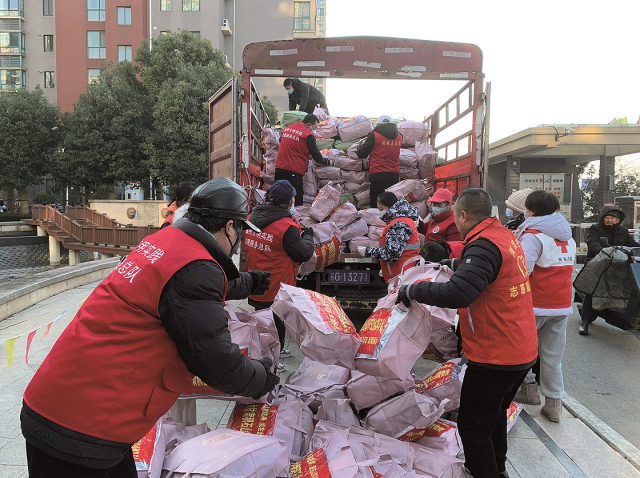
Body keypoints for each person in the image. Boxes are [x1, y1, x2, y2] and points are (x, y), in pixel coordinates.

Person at [21, 178, 279, 478]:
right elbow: (217, 362)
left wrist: (248, 282)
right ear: (230, 228)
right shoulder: (195, 268)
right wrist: (263, 377)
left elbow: (185, 291)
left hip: (66, 403)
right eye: (242, 232)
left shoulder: (166, 241)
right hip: (80, 429)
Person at [396, 188, 538, 478]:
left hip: (495, 354)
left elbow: (459, 293)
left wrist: (413, 290)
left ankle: (484, 471)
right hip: (519, 348)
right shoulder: (503, 236)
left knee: (473, 427)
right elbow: (488, 270)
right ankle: (496, 469)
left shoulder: (483, 244)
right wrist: (452, 265)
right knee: (493, 417)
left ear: (463, 215)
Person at [512, 190, 576, 422]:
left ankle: (528, 391)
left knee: (522, 352)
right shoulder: (568, 235)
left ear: (531, 211)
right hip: (561, 305)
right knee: (552, 357)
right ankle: (554, 404)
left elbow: (521, 272)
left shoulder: (533, 236)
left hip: (534, 305)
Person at [246, 180, 314, 365]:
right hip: (276, 288)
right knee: (275, 327)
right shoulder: (286, 227)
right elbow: (304, 253)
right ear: (290, 202)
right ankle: (271, 366)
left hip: (256, 284)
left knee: (263, 325)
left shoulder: (252, 218)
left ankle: (265, 355)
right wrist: (308, 237)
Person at [578, 205, 640, 335]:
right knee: (592, 288)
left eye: (613, 218)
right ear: (602, 218)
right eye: (607, 217)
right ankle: (584, 322)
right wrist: (605, 252)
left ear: (618, 220)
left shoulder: (623, 231)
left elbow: (633, 245)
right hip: (598, 263)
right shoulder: (595, 229)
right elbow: (592, 244)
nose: (610, 220)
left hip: (619, 265)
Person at [358, 192, 420, 283]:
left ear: (392, 207)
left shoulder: (399, 224)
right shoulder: (400, 221)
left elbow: (391, 254)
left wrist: (367, 251)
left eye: (381, 209)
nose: (380, 212)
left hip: (402, 276)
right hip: (402, 273)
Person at [275, 114, 332, 206]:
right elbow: (316, 156)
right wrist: (326, 161)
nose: (314, 130)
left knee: (277, 197)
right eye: (314, 127)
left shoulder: (287, 129)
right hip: (293, 171)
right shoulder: (308, 135)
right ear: (309, 124)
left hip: (279, 169)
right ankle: (292, 220)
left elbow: (283, 142)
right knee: (295, 201)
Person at [355, 115, 403, 207]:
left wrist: (358, 149)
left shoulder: (374, 135)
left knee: (376, 202)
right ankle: (391, 221)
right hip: (394, 175)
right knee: (391, 202)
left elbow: (362, 154)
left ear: (379, 124)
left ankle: (376, 220)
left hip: (378, 174)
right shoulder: (400, 137)